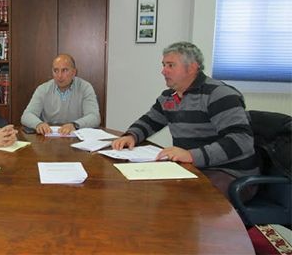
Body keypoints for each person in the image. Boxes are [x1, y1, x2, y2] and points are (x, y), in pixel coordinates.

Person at [111, 41, 259, 201]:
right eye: (163, 65)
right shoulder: (170, 96)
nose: (163, 71)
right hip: (193, 167)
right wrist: (131, 136)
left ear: (192, 67)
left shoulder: (219, 94)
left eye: (170, 65)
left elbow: (241, 140)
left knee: (184, 202)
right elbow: (150, 121)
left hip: (229, 172)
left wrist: (191, 155)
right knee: (147, 191)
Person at [21, 54, 100, 135]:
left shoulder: (85, 88)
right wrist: (38, 124)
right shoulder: (43, 89)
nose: (59, 76)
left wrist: (75, 125)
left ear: (74, 72)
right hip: (49, 138)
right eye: (56, 70)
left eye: (64, 70)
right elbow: (27, 115)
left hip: (75, 138)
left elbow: (94, 117)